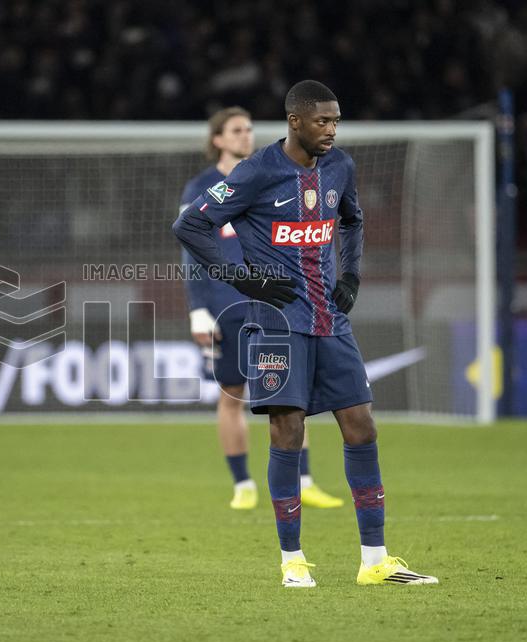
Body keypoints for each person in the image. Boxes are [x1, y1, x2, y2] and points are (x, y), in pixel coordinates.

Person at [173, 81, 438, 587]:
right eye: (322, 121)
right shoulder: (256, 172)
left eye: (336, 121)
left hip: (330, 320)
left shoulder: (340, 167)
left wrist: (352, 275)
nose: (331, 131)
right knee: (287, 431)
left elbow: (352, 221)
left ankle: (375, 560)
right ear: (295, 121)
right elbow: (191, 226)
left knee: (361, 424)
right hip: (275, 323)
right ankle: (292, 562)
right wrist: (242, 279)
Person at [180, 107, 344, 511]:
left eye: (249, 129)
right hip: (226, 306)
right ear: (218, 139)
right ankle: (242, 485)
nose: (245, 135)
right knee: (231, 395)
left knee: (294, 396)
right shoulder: (201, 187)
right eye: (236, 130)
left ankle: (304, 480)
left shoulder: (268, 173)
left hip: (276, 304)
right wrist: (198, 308)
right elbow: (191, 248)